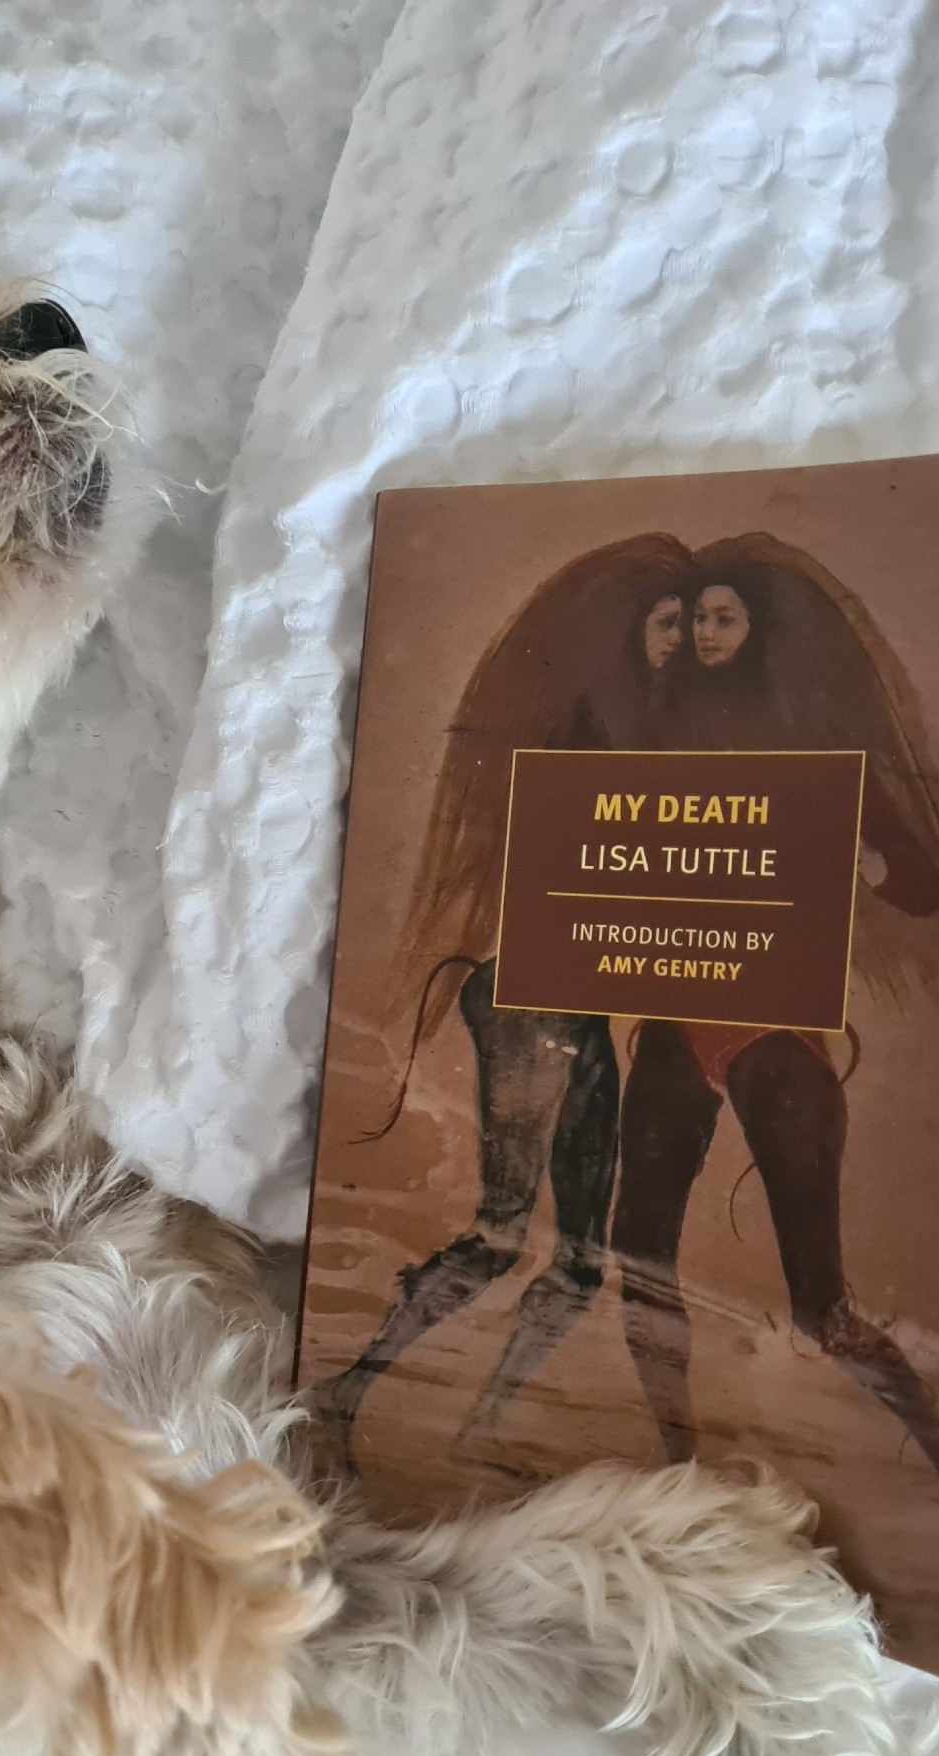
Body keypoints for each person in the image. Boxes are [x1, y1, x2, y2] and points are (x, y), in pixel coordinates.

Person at [611, 563, 939, 1560]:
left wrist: (857, 854)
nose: (703, 634)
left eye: (723, 618)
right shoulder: (650, 738)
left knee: (820, 1308)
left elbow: (925, 884)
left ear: (758, 631)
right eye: (692, 618)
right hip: (671, 1020)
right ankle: (681, 1482)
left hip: (773, 1033)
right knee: (634, 1262)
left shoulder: (812, 747)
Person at [307, 543, 695, 1466]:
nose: (679, 640)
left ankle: (479, 1429)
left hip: (578, 1008)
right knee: (501, 1234)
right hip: (530, 1000)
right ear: (629, 627)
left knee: (581, 1262)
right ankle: (346, 1391)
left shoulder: (651, 726)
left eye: (689, 624)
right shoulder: (587, 728)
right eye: (666, 621)